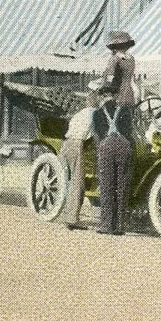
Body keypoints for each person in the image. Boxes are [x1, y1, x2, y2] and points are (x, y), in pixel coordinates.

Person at [91, 83, 134, 235]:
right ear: (115, 95)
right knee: (122, 186)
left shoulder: (96, 113)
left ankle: (106, 225)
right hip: (124, 146)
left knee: (107, 186)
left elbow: (97, 136)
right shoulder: (125, 111)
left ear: (102, 96)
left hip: (106, 147)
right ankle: (120, 226)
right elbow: (130, 133)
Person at [60, 87, 99, 230]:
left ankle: (68, 214)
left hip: (66, 144)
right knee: (78, 182)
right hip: (77, 144)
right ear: (96, 102)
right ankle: (71, 219)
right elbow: (96, 134)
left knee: (71, 181)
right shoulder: (96, 113)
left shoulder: (79, 113)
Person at [103, 31, 137, 109]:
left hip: (118, 89)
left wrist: (107, 86)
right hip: (128, 88)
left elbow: (110, 75)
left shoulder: (114, 58)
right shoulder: (131, 58)